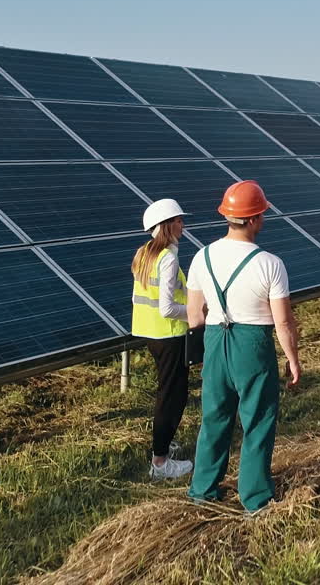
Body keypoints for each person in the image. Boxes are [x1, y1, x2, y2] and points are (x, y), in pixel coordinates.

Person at [186, 180, 302, 513]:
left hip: (213, 339)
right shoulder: (270, 263)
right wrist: (293, 359)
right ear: (253, 219)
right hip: (252, 344)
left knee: (214, 417)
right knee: (258, 419)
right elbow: (283, 322)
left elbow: (195, 315)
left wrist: (207, 352)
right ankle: (256, 497)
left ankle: (203, 490)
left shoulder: (202, 257)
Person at [131, 198, 194, 480]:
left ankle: (164, 443)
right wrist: (195, 311)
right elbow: (167, 308)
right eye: (178, 220)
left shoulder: (144, 253)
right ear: (166, 225)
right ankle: (160, 462)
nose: (183, 225)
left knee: (167, 393)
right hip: (170, 335)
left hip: (150, 333)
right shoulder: (168, 258)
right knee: (172, 397)